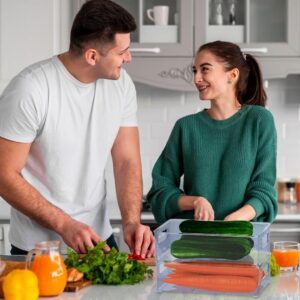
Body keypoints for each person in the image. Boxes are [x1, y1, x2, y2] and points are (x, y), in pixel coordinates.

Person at [0, 0, 155, 257]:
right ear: (92, 56)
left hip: (99, 240)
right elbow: (4, 175)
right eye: (122, 52)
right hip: (38, 248)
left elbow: (126, 160)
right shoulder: (30, 89)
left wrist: (131, 221)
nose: (128, 57)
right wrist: (64, 225)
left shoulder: (121, 84)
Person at [147, 40, 277, 225]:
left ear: (232, 75)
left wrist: (235, 220)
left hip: (243, 239)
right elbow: (161, 189)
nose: (196, 78)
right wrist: (196, 201)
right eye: (195, 71)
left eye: (205, 69)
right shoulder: (186, 127)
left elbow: (264, 188)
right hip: (193, 241)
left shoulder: (259, 120)